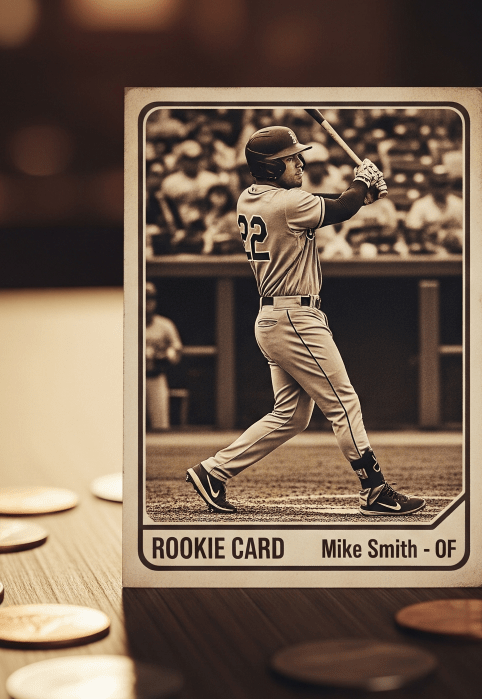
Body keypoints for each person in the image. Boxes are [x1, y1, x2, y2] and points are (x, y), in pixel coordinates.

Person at [185, 126, 425, 516]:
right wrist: (361, 183)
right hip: (294, 316)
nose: (301, 162)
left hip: (275, 317)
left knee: (291, 415)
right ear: (270, 166)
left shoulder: (250, 197)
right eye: (291, 158)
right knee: (343, 401)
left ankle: (213, 472)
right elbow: (340, 207)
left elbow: (335, 205)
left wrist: (361, 194)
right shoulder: (287, 203)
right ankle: (375, 489)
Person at [145, 283, 182, 431]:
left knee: (160, 425)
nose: (148, 302)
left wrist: (166, 355)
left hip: (156, 376)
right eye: (144, 298)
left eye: (151, 298)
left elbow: (176, 349)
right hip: (131, 380)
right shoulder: (127, 322)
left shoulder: (164, 325)